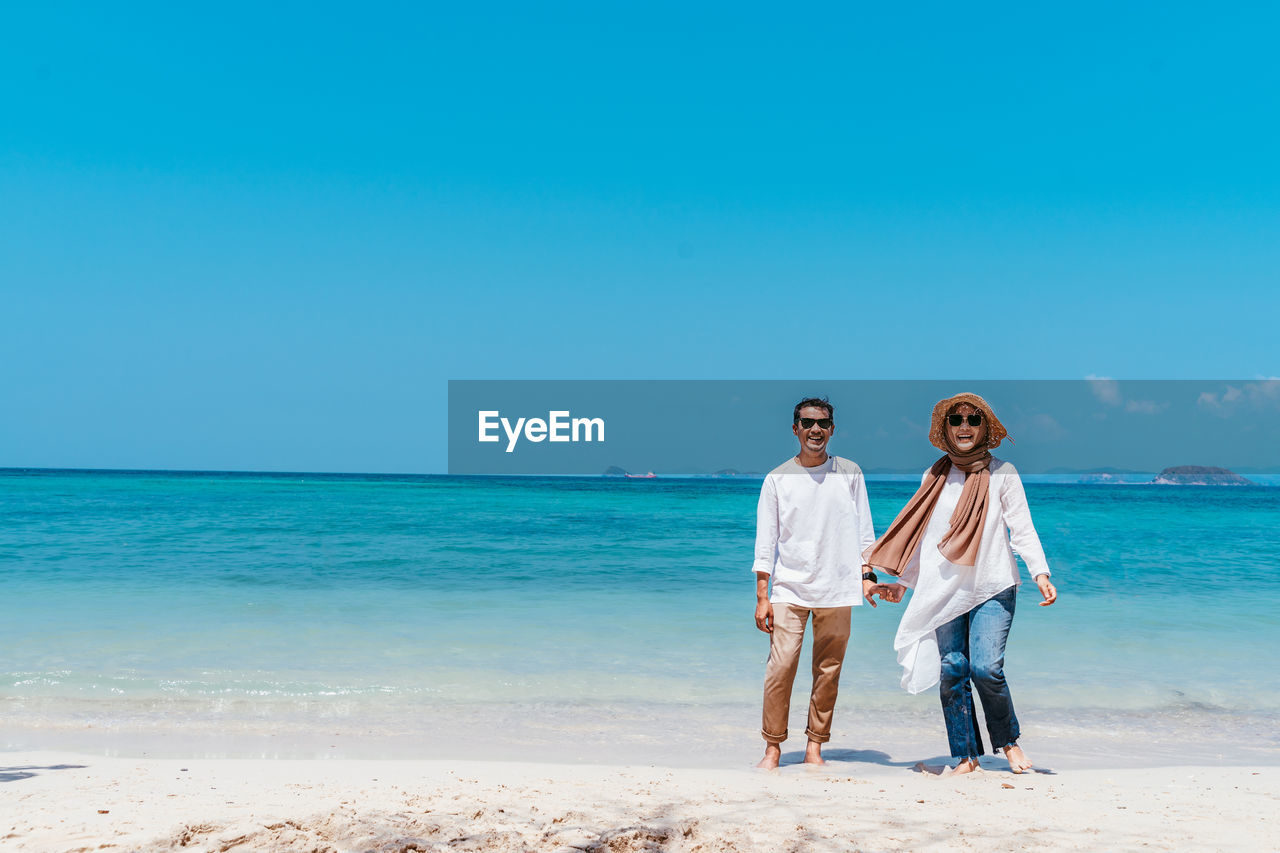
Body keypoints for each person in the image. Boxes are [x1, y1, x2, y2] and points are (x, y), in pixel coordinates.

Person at [865, 393, 1057, 775]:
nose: (964, 426)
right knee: (953, 669)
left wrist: (1040, 572)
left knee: (986, 668)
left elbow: (1021, 528)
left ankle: (1008, 742)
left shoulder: (1003, 473)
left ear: (985, 427)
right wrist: (902, 583)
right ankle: (965, 757)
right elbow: (924, 538)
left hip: (993, 584)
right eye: (956, 419)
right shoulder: (934, 476)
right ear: (946, 428)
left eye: (973, 419)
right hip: (945, 589)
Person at [752, 396, 890, 769]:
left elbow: (865, 534)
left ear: (832, 429)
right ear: (795, 428)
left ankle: (815, 744)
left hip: (838, 587)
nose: (816, 430)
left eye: (823, 424)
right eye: (808, 423)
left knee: (828, 671)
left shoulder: (850, 473)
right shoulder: (777, 479)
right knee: (780, 668)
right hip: (789, 589)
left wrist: (868, 577)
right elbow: (766, 543)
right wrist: (762, 596)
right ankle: (773, 747)